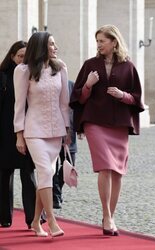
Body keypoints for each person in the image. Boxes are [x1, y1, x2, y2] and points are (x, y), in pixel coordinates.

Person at [70, 24, 144, 236]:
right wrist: (88, 85)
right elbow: (79, 98)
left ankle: (109, 216)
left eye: (103, 40)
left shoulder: (128, 67)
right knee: (104, 167)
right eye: (98, 41)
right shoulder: (90, 65)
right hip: (95, 122)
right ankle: (107, 215)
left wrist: (122, 95)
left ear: (114, 42)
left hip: (119, 124)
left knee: (117, 172)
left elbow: (137, 98)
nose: (99, 44)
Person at [13, 32, 70, 237]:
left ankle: (36, 222)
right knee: (45, 171)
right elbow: (19, 105)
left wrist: (67, 130)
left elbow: (64, 103)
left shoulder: (60, 67)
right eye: (51, 44)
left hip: (56, 130)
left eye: (55, 44)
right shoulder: (23, 70)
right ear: (41, 46)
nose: (55, 47)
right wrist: (19, 134)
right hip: (34, 129)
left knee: (47, 174)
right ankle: (52, 221)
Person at [0, 41, 37, 229]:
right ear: (12, 56)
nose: (23, 59)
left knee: (28, 174)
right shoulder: (3, 75)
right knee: (4, 175)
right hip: (5, 132)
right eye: (20, 56)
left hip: (25, 130)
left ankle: (34, 218)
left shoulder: (31, 74)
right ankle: (4, 216)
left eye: (26, 56)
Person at [53, 80, 77, 209]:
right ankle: (55, 195)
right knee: (51, 166)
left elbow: (76, 108)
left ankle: (56, 188)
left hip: (70, 131)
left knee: (70, 163)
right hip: (52, 131)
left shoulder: (70, 84)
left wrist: (78, 129)